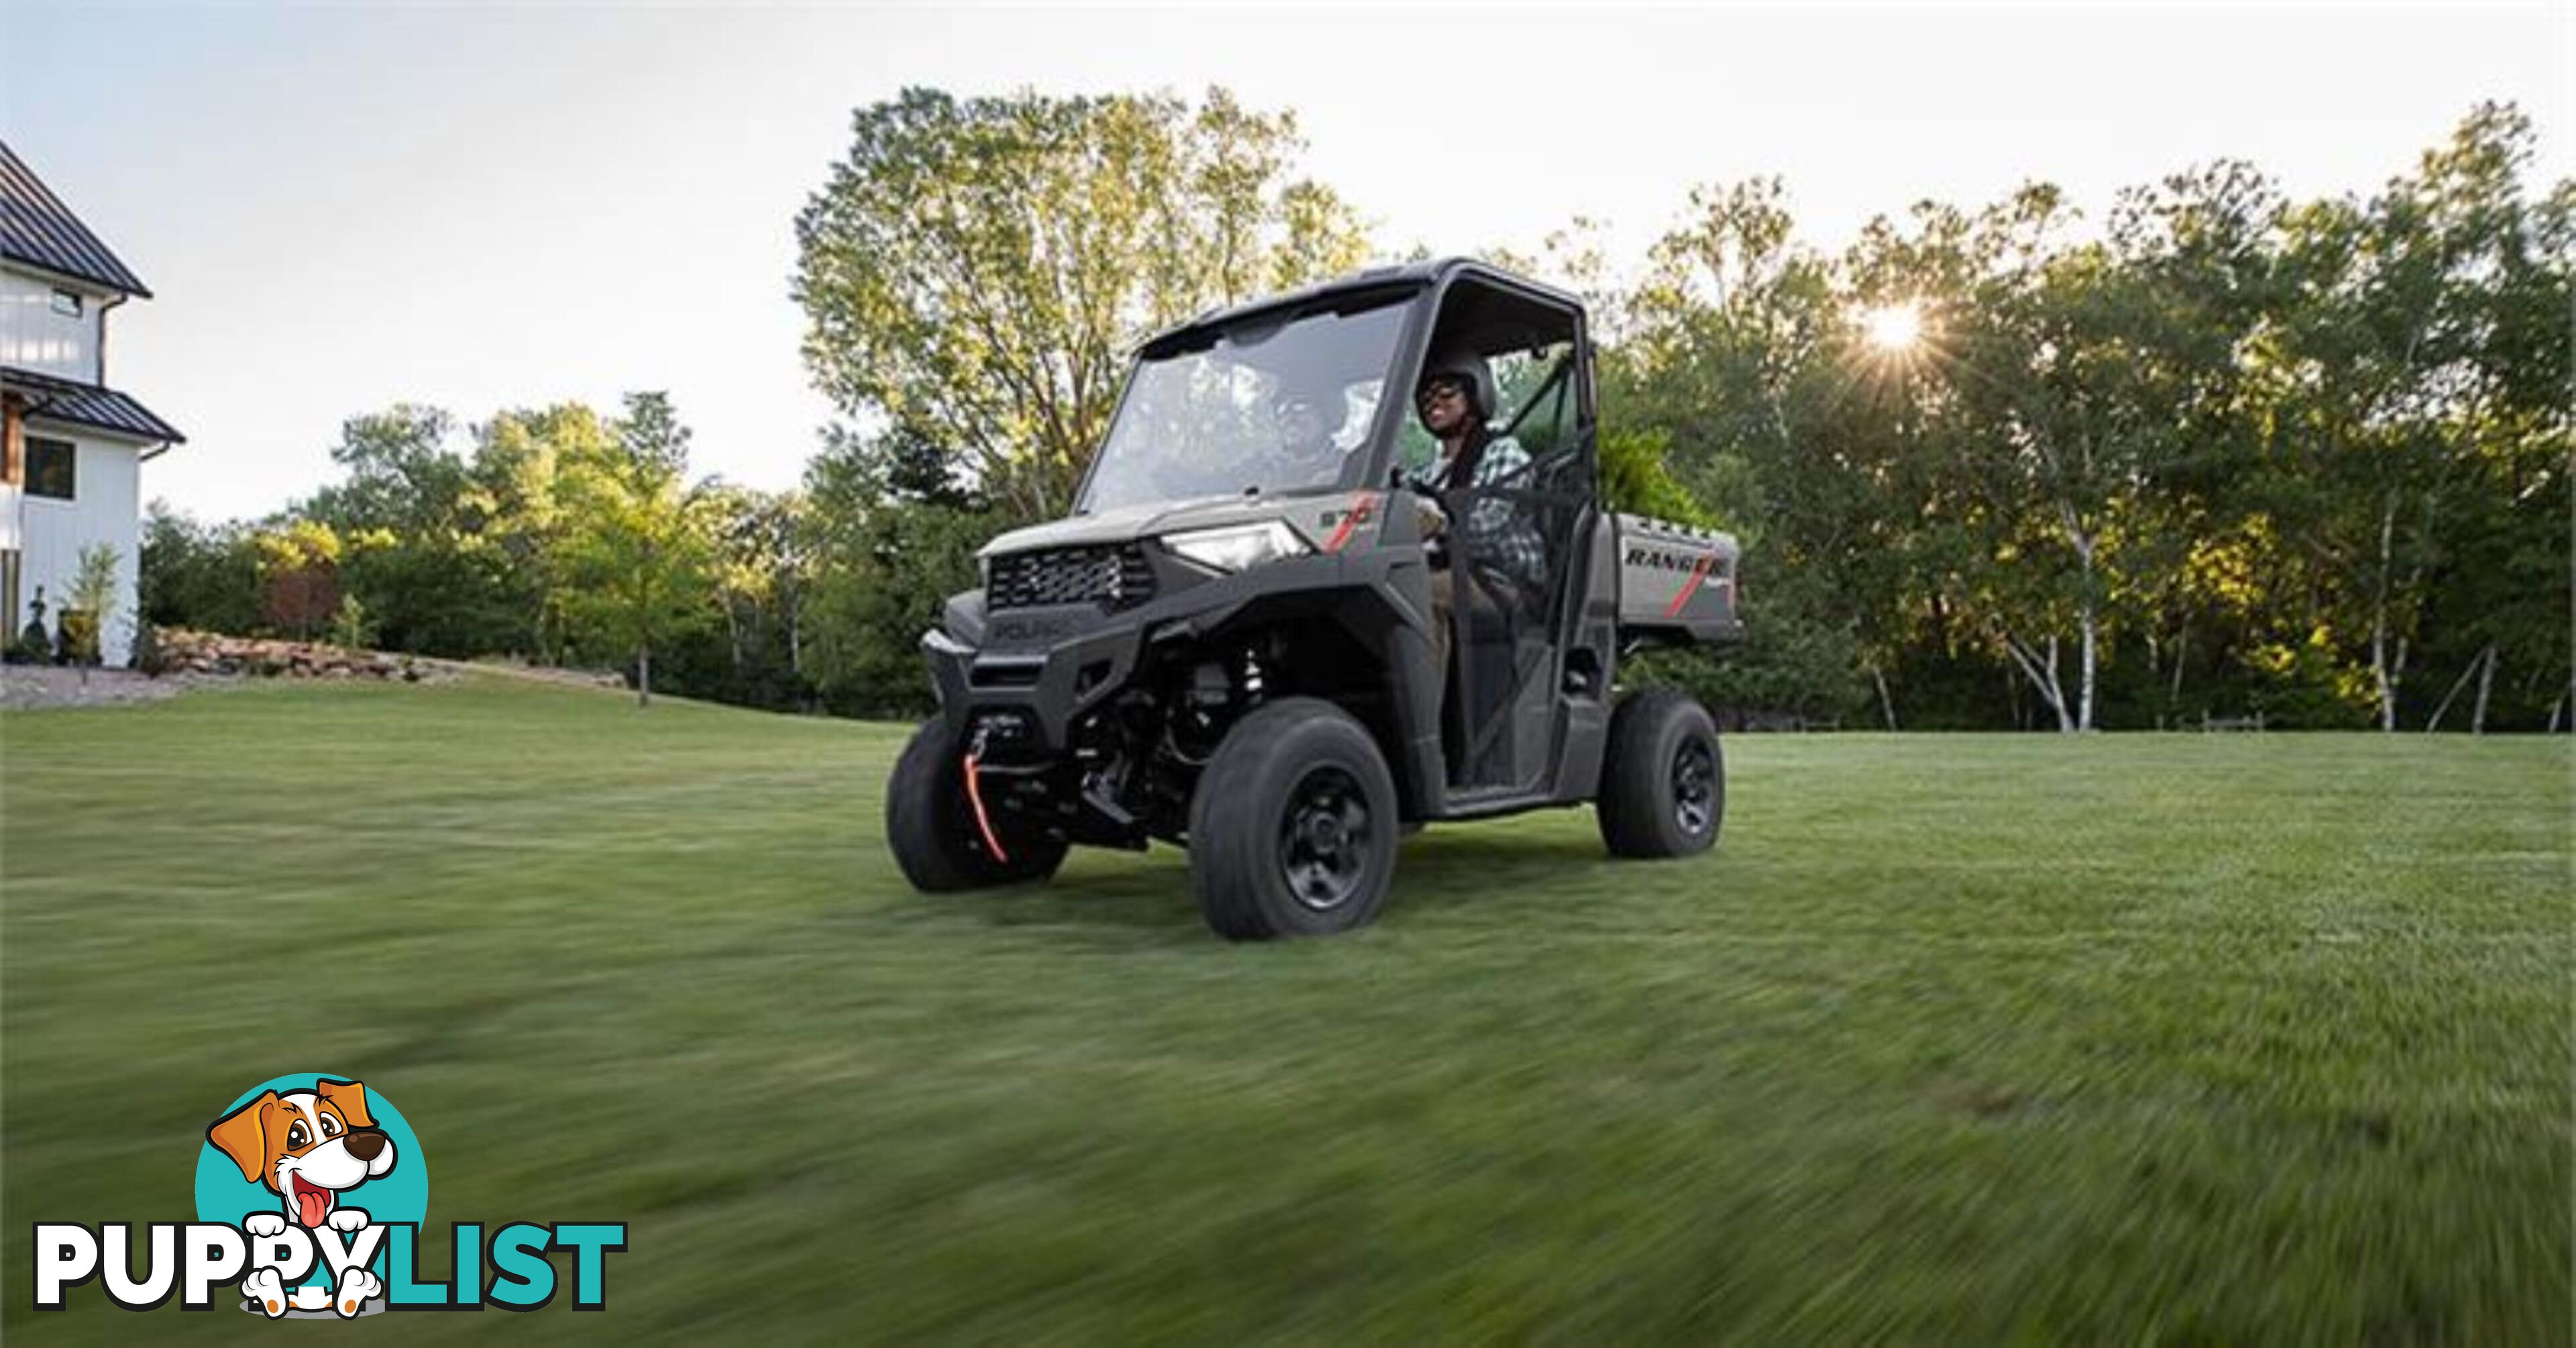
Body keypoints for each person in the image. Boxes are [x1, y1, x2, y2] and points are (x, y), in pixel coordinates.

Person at [1408, 351, 1548, 681]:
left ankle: (1425, 728)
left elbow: (1489, 528)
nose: (1434, 402)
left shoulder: (1503, 452)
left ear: (1476, 395)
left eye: (1447, 392)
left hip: (1500, 581)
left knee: (1420, 596)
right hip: (1450, 572)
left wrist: (1438, 523)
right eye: (1426, 396)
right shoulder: (1426, 473)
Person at [1269, 382, 1349, 488]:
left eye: (1300, 407)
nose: (1289, 418)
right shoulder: (1264, 468)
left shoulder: (1347, 469)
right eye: (1282, 408)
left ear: (1328, 415)